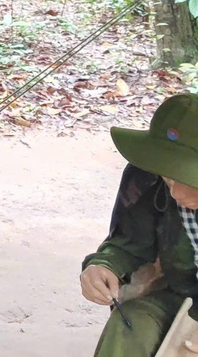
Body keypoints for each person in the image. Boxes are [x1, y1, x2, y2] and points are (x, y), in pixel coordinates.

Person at [80, 93, 198, 357]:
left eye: (189, 178)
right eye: (170, 176)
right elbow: (131, 241)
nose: (177, 193)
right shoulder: (147, 176)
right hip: (182, 297)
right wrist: (104, 265)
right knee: (130, 326)